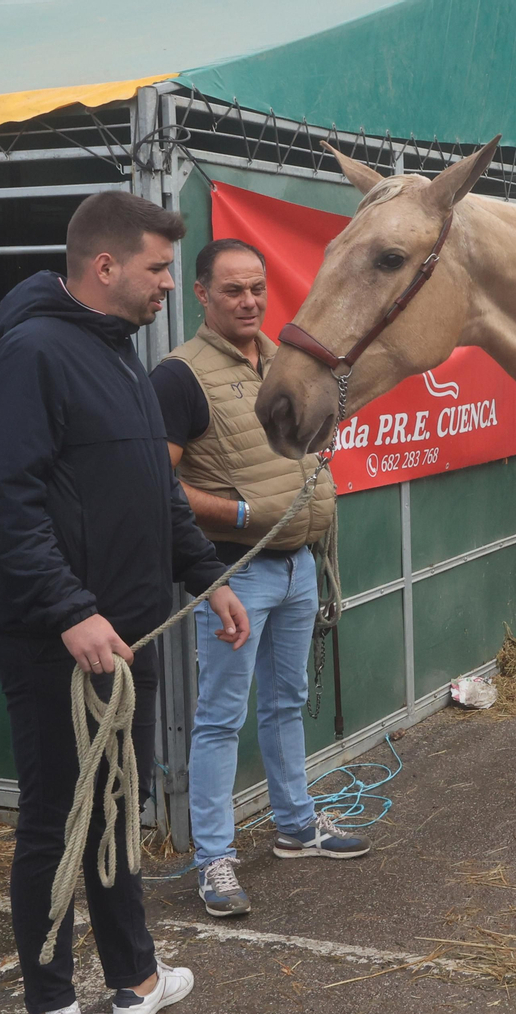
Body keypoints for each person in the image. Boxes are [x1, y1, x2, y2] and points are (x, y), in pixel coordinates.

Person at [0, 192, 251, 1014]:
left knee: (119, 807)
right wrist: (67, 607)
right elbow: (2, 498)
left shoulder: (121, 359)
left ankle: (134, 978)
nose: (171, 284)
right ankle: (51, 1009)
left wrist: (207, 576)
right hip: (57, 637)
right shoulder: (32, 353)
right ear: (105, 267)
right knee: (57, 818)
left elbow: (154, 492)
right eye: (161, 269)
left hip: (126, 634)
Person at [150, 238, 369, 921]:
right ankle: (214, 856)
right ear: (202, 294)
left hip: (299, 564)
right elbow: (158, 482)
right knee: (220, 715)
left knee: (286, 699)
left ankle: (296, 825)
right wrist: (241, 511)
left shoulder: (282, 361)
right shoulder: (179, 376)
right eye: (233, 290)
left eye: (257, 288)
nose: (248, 301)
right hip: (234, 572)